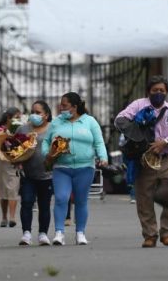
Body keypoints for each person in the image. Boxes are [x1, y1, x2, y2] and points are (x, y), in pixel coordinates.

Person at [115, 75, 168, 248]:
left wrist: (165, 142)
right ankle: (150, 235)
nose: (158, 93)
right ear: (149, 91)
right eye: (155, 90)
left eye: (162, 90)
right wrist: (138, 136)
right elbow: (120, 120)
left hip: (167, 158)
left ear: (167, 92)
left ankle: (167, 233)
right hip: (144, 160)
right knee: (144, 199)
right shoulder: (138, 105)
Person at [42, 92, 108, 246]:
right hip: (61, 167)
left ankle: (80, 233)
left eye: (64, 105)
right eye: (60, 105)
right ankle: (59, 233)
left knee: (81, 200)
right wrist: (47, 154)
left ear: (75, 107)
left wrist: (103, 157)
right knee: (61, 198)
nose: (61, 108)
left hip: (85, 167)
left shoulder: (89, 121)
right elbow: (46, 141)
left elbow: (99, 142)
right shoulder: (56, 122)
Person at [17, 100, 54, 246]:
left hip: (47, 174)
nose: (34, 115)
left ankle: (43, 234)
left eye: (38, 112)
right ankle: (26, 233)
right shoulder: (23, 129)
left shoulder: (53, 129)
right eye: (32, 112)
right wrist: (16, 160)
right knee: (26, 202)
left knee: (44, 204)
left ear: (46, 115)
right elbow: (14, 148)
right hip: (28, 174)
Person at [0, 107, 22, 228]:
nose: (18, 120)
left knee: (13, 188)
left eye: (19, 117)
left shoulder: (21, 130)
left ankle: (12, 217)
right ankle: (4, 217)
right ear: (8, 118)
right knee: (3, 189)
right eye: (16, 117)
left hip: (15, 161)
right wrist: (4, 136)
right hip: (1, 161)